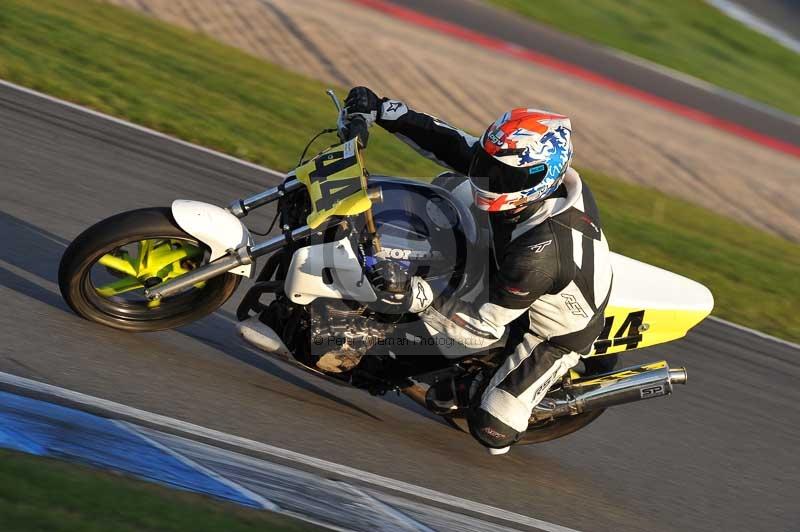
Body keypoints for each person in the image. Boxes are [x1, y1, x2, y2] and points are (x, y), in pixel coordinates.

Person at [342, 86, 613, 454]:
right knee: (450, 187)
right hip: (503, 259)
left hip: (547, 330)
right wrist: (387, 111)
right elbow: (452, 143)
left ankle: (486, 388)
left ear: (541, 178)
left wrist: (414, 294)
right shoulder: (516, 172)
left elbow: (482, 327)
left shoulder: (537, 257)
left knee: (492, 430)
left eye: (505, 179)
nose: (490, 180)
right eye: (489, 167)